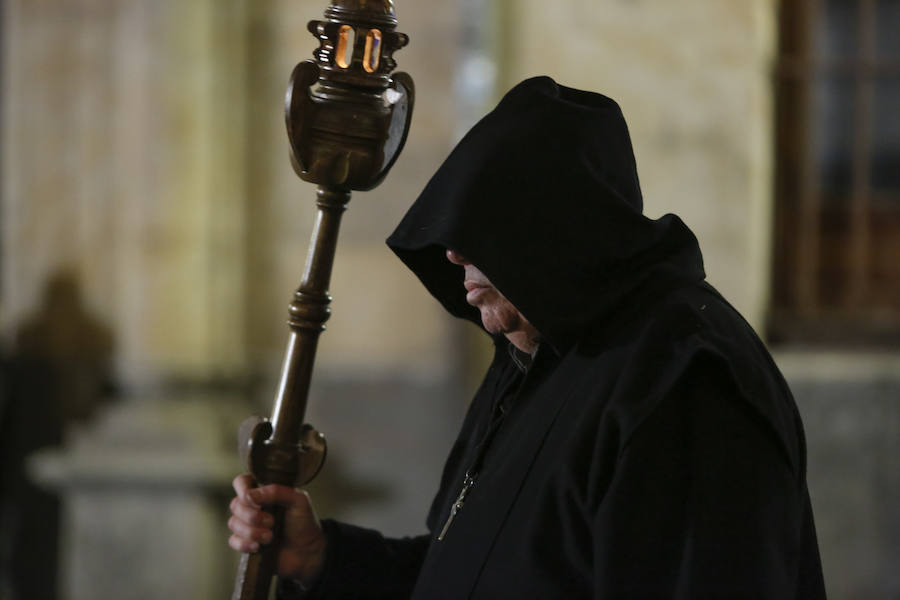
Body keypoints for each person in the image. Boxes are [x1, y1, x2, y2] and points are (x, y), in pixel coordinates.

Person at [228, 76, 826, 598]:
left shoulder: (682, 382)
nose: (454, 252)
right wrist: (325, 560)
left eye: (483, 230)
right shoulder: (535, 354)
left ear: (550, 230)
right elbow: (473, 573)